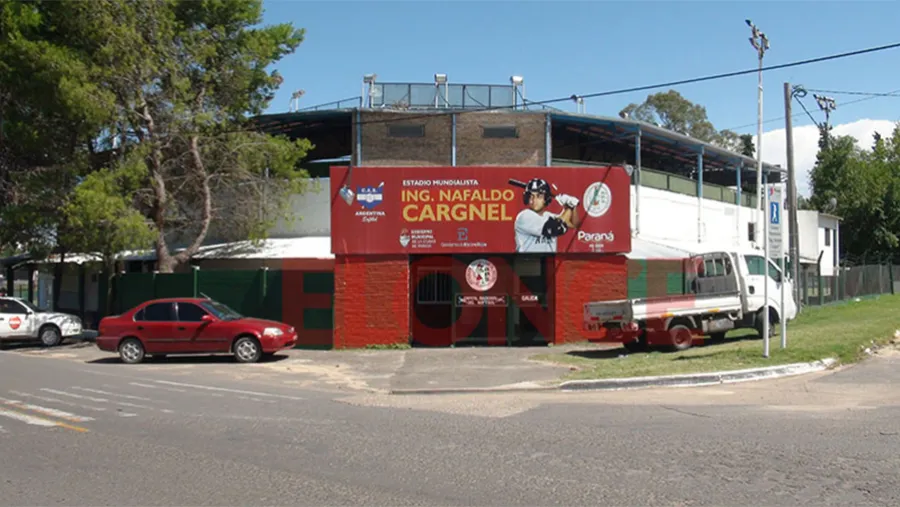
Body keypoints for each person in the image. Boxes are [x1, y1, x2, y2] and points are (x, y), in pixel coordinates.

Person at [514, 178, 582, 252]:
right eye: (531, 196)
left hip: (546, 261)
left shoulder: (548, 216)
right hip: (529, 261)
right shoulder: (524, 216)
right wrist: (570, 205)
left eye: (539, 196)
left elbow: (574, 224)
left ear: (546, 199)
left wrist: (572, 206)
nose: (533, 200)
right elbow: (558, 227)